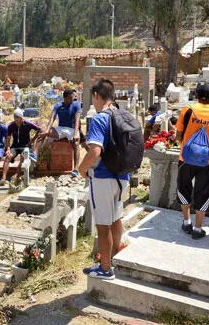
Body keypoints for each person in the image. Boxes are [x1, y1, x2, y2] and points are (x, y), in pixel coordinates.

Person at [78, 78, 128, 280]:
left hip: (103, 178)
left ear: (97, 96)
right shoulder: (123, 115)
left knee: (103, 224)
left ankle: (105, 269)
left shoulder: (100, 118)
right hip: (122, 176)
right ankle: (114, 258)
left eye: (93, 99)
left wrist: (82, 168)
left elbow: (95, 150)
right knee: (116, 219)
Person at [175, 84, 209, 239]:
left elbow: (179, 135)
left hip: (185, 158)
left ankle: (186, 222)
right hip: (207, 161)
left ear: (196, 96)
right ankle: (198, 228)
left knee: (184, 188)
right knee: (203, 192)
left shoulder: (187, 110)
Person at [38, 89, 82, 175]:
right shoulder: (58, 105)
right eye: (70, 98)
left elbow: (77, 119)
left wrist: (76, 133)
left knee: (76, 143)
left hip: (72, 129)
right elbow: (52, 118)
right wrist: (47, 130)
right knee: (43, 132)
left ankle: (76, 169)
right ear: (65, 98)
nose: (72, 99)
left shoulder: (76, 104)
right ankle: (35, 154)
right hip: (60, 128)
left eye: (73, 97)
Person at [1, 108, 40, 183]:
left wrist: (33, 139)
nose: (15, 119)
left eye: (17, 117)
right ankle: (3, 177)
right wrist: (8, 149)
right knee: (8, 157)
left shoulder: (27, 124)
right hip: (15, 146)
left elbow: (39, 129)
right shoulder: (11, 125)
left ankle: (16, 175)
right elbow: (8, 138)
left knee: (23, 156)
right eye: (14, 117)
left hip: (25, 146)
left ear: (21, 117)